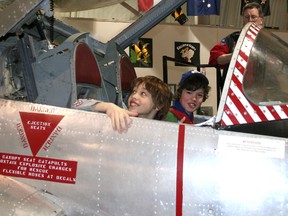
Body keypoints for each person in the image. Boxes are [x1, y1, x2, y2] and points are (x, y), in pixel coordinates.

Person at [73, 75, 172, 132]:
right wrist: (107, 107)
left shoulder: (161, 131)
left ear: (159, 105)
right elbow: (77, 104)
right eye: (134, 91)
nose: (134, 96)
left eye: (143, 94)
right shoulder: (119, 112)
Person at [209, 2, 264, 88]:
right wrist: (237, 54)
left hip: (259, 90)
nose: (250, 20)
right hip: (234, 90)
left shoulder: (267, 42)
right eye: (247, 17)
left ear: (261, 20)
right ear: (243, 19)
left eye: (253, 17)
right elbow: (216, 58)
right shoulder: (233, 38)